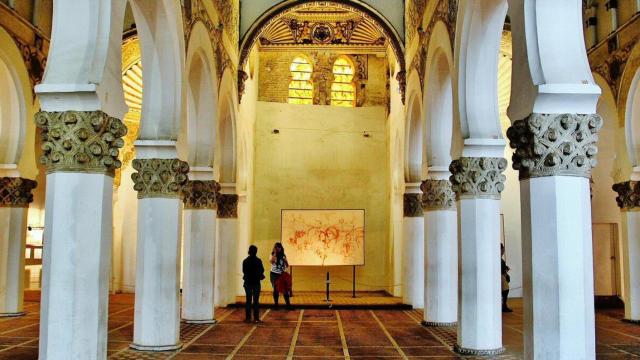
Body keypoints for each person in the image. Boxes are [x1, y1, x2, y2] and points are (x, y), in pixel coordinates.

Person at [242, 245, 265, 323]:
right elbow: (262, 270)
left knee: (248, 300)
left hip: (248, 282)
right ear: (256, 252)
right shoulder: (258, 261)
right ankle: (256, 318)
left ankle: (248, 318)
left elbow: (244, 271)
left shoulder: (245, 261)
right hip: (256, 283)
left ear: (249, 251)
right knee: (256, 301)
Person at [270, 242, 291, 308]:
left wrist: (285, 261)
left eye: (279, 247)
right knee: (276, 289)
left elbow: (287, 265)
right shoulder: (272, 254)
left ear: (281, 248)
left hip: (282, 274)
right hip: (274, 274)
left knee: (285, 290)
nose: (278, 249)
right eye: (277, 247)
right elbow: (272, 261)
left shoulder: (283, 255)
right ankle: (276, 304)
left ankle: (288, 305)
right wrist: (275, 253)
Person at [501, 243, 513, 313]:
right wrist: (505, 270)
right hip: (500, 277)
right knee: (505, 290)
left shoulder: (500, 259)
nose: (503, 252)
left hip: (502, 276)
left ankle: (503, 305)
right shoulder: (498, 259)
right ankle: (504, 306)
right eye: (503, 250)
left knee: (505, 290)